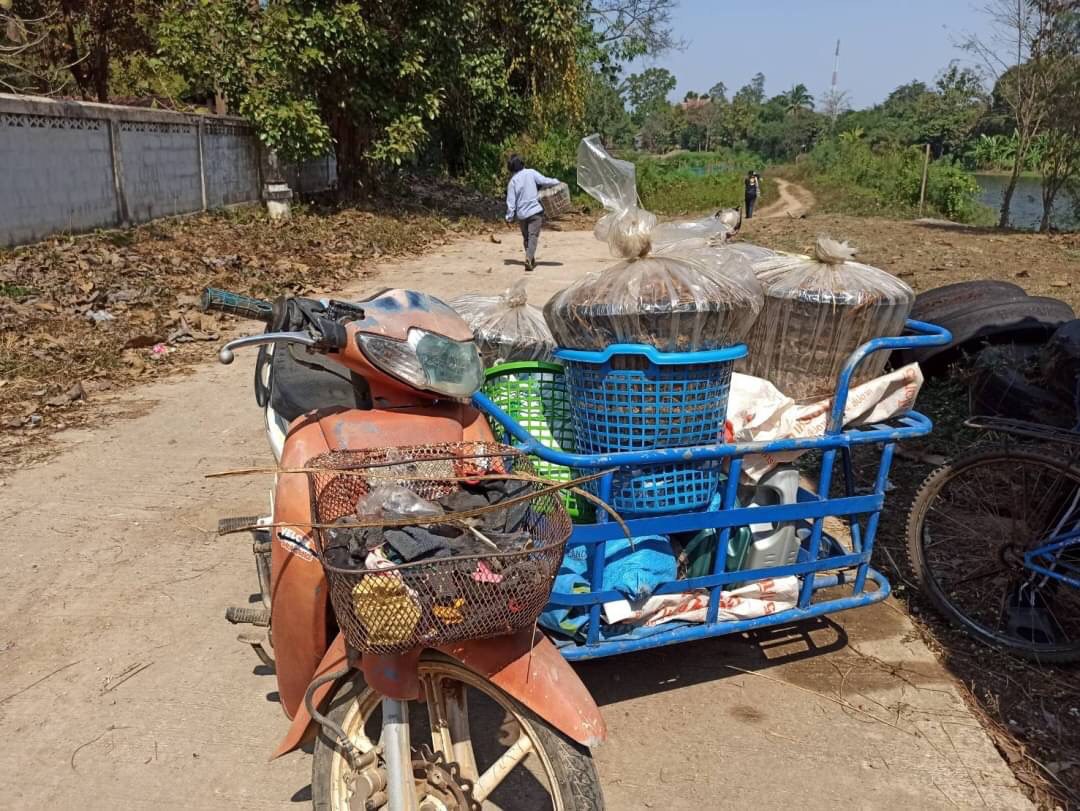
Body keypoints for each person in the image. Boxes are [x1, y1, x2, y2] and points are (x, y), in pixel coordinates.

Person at [505, 155, 560, 271]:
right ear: (522, 163)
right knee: (533, 236)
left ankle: (529, 258)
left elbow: (511, 202)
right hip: (535, 212)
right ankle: (529, 258)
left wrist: (509, 217)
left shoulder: (512, 182)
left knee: (526, 238)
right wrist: (556, 181)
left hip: (522, 215)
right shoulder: (531, 172)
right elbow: (544, 181)